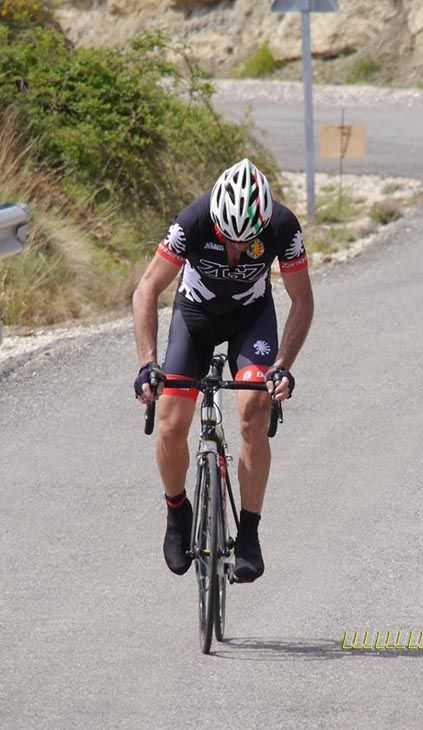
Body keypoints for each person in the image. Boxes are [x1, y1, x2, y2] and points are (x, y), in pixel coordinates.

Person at [131, 159, 314, 583]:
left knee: (254, 411)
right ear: (214, 219)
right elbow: (146, 291)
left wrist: (283, 366)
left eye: (245, 242)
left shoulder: (283, 228)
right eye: (227, 240)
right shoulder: (192, 221)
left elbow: (302, 300)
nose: (235, 251)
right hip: (195, 318)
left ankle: (248, 532)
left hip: (251, 321)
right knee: (171, 424)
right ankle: (178, 511)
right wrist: (147, 363)